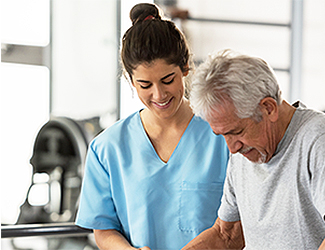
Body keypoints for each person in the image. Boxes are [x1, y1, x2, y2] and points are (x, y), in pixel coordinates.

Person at [182, 50, 325, 250]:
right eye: (223, 135)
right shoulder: (244, 153)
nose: (232, 148)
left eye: (237, 131)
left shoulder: (320, 138)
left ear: (268, 108)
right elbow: (227, 236)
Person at [75, 4, 229, 250]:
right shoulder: (107, 149)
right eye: (145, 85)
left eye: (168, 80)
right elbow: (103, 229)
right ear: (130, 79)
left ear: (185, 68)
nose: (159, 95)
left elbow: (238, 225)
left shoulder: (223, 138)